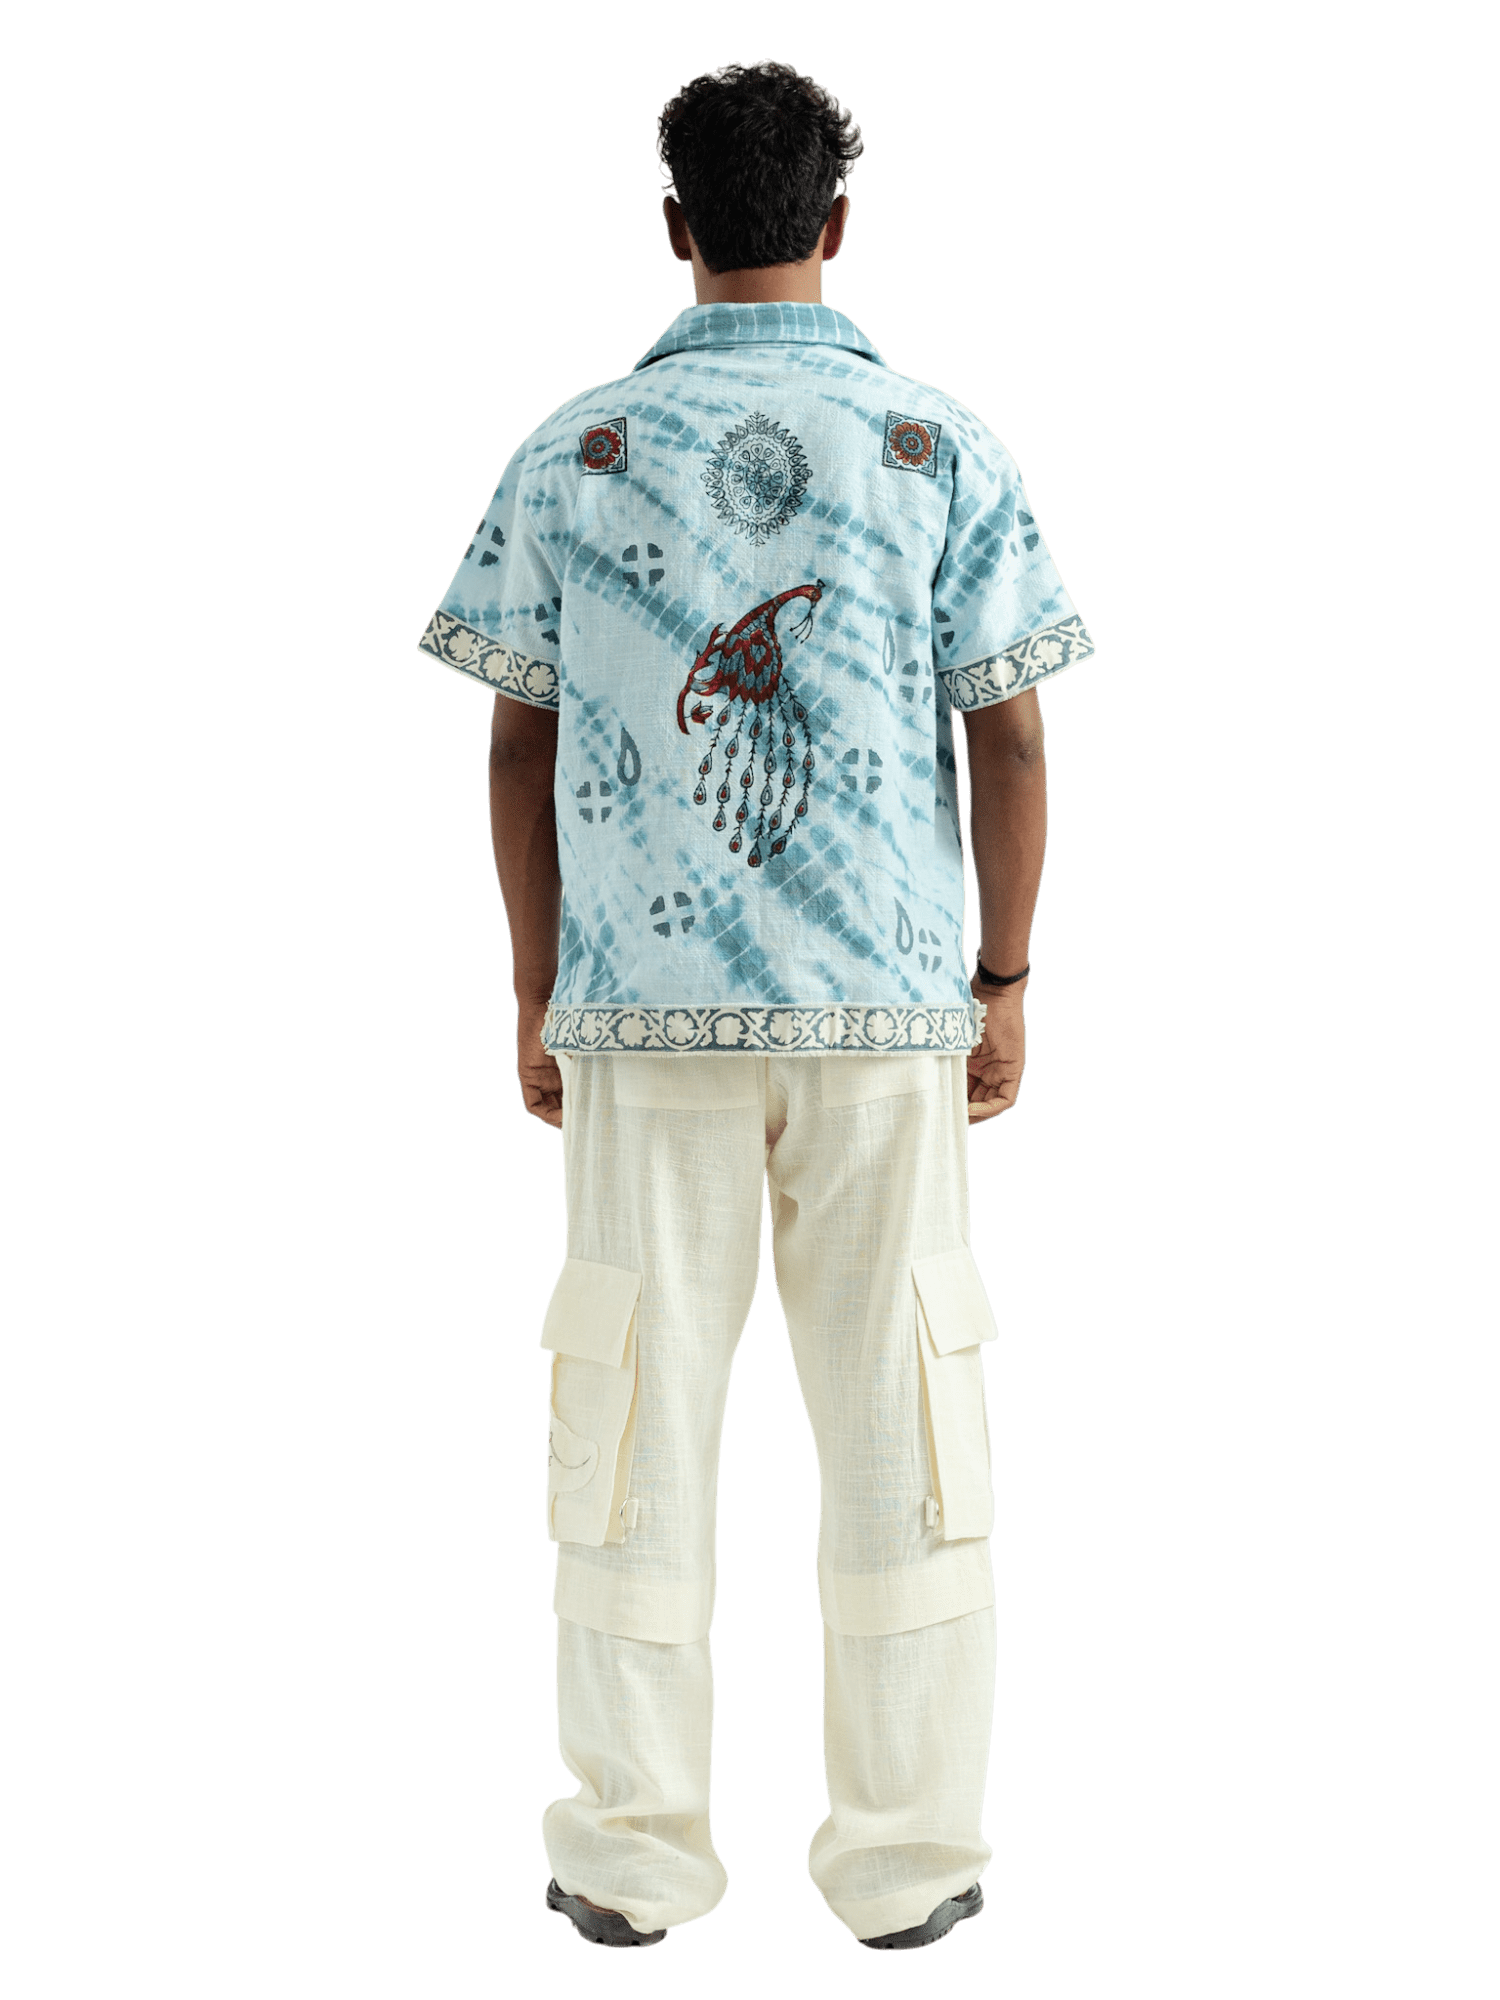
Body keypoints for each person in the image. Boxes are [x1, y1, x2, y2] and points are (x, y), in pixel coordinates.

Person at [416, 59, 1095, 1953]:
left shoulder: (576, 449)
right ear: (840, 222)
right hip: (887, 1021)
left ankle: (630, 1858)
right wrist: (1001, 984)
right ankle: (910, 1864)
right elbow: (1015, 741)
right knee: (904, 1423)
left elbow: (512, 744)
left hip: (640, 1024)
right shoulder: (938, 446)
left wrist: (539, 993)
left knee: (627, 1419)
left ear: (674, 224)